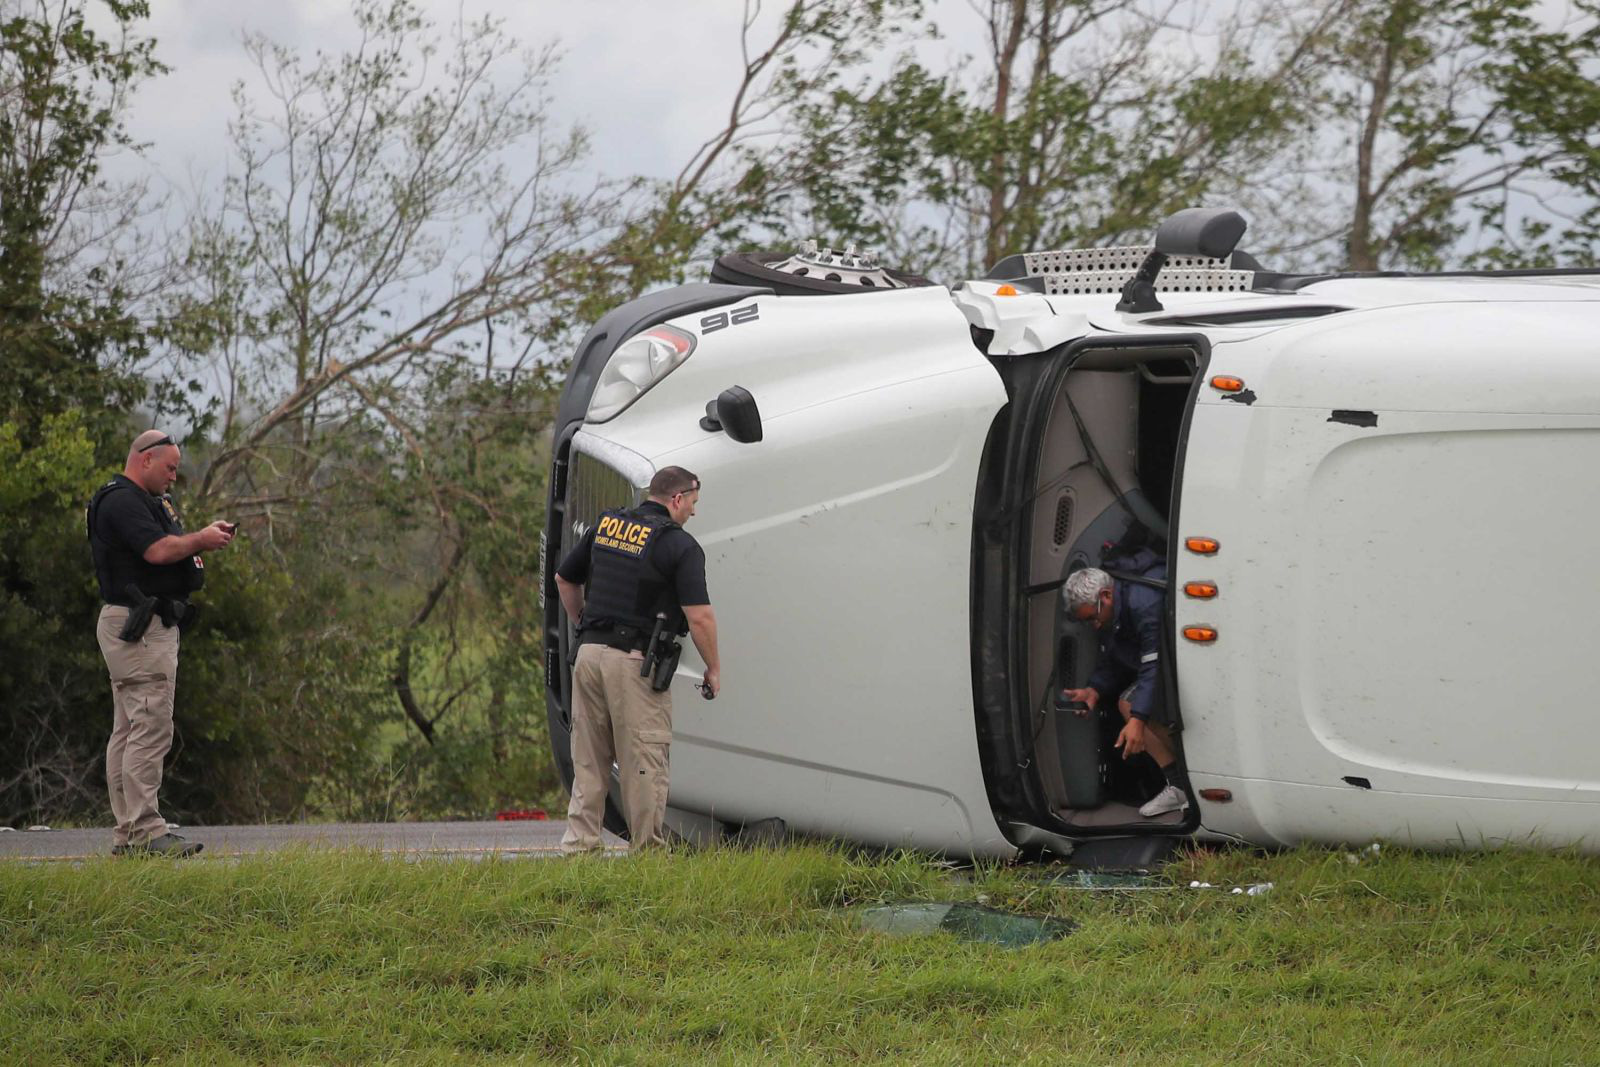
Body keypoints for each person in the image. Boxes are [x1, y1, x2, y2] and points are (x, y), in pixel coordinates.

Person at [553, 466, 721, 853]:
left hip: (588, 656)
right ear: (678, 499)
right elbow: (699, 616)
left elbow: (565, 579)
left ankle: (579, 851)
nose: (692, 513)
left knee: (590, 760)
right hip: (632, 663)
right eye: (692, 504)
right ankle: (647, 857)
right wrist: (713, 668)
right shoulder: (679, 545)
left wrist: (584, 625)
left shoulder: (609, 526)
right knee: (644, 759)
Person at [87, 430, 235, 857]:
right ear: (145, 459)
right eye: (169, 467)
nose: (174, 476)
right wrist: (202, 539)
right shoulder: (121, 500)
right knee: (150, 727)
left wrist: (201, 542)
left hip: (145, 624)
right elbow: (156, 551)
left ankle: (130, 833)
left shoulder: (145, 500)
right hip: (139, 625)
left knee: (131, 728)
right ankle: (146, 833)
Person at [1059, 549, 1189, 818]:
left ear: (1106, 596)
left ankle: (1190, 782)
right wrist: (1095, 688)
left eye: (1093, 617)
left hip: (1181, 664)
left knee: (1131, 706)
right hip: (1165, 665)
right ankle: (1180, 786)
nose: (1094, 626)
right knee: (1128, 704)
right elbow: (1120, 653)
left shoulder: (1145, 602)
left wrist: (1138, 721)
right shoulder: (1118, 603)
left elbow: (1153, 664)